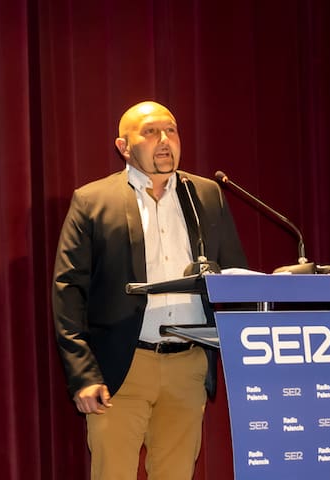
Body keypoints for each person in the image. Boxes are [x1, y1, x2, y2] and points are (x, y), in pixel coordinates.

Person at [52, 100, 247, 479]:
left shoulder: (206, 195)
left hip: (189, 364)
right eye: (151, 132)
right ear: (123, 147)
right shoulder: (94, 200)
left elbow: (233, 276)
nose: (164, 140)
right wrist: (83, 374)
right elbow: (68, 291)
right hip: (122, 368)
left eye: (171, 130)